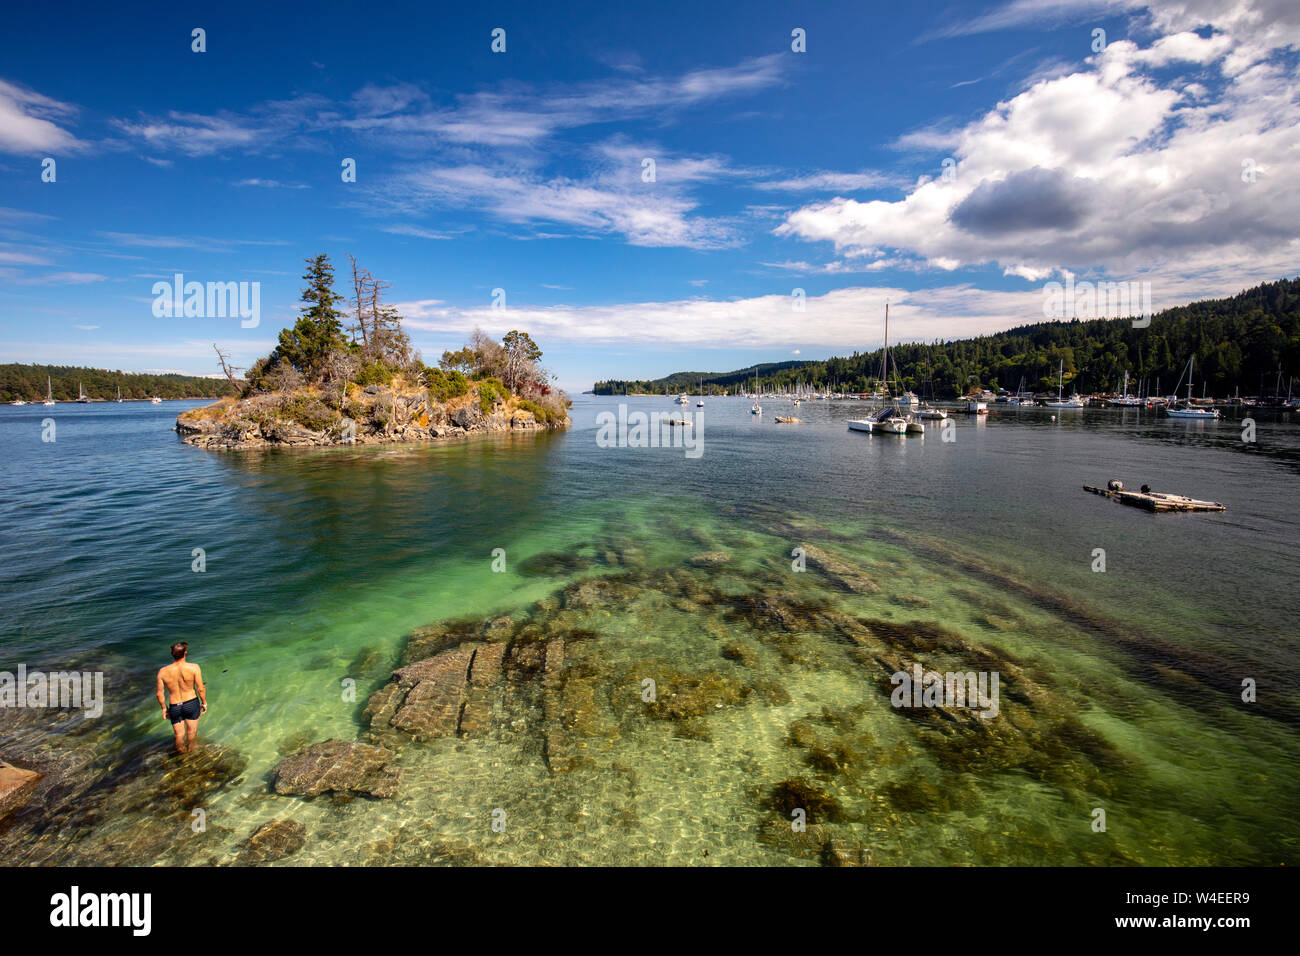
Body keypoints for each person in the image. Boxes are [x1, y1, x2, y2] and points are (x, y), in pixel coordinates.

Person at [156, 642, 207, 753]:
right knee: (191, 733)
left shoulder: (162, 672)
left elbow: (159, 694)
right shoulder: (194, 667)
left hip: (175, 706)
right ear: (185, 653)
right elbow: (201, 688)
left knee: (179, 735)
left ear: (172, 654)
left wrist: (164, 708)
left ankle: (181, 754)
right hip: (191, 703)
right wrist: (204, 702)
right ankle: (191, 754)